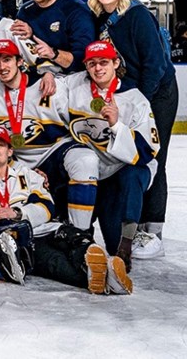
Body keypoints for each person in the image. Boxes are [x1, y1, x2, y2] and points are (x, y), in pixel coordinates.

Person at [0, 126, 132, 294]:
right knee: (54, 264)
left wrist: (17, 212)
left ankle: (100, 267)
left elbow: (47, 206)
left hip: (48, 228)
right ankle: (106, 279)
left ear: (10, 151)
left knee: (78, 240)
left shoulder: (28, 174)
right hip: (25, 240)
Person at [0, 39, 100, 231]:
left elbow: (89, 72)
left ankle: (80, 232)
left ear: (20, 61)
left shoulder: (51, 86)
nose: (2, 66)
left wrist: (48, 71)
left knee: (86, 160)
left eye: (7, 60)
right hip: (17, 158)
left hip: (53, 150)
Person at [86, 0, 175, 260]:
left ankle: (154, 231)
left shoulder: (136, 15)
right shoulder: (100, 18)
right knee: (126, 155)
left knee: (152, 156)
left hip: (157, 93)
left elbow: (155, 65)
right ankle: (130, 225)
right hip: (130, 95)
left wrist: (141, 103)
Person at [64, 41, 159, 270]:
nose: (98, 69)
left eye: (104, 62)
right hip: (96, 170)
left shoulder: (134, 98)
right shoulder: (74, 86)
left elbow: (147, 151)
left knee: (131, 176)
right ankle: (82, 237)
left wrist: (117, 125)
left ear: (116, 63)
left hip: (128, 168)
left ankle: (127, 242)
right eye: (92, 64)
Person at [12, 0, 95, 74]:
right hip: (38, 74)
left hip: (73, 77)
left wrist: (53, 54)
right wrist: (29, 36)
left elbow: (83, 60)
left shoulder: (77, 10)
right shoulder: (25, 11)